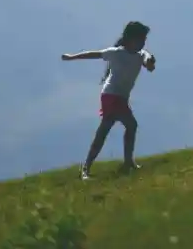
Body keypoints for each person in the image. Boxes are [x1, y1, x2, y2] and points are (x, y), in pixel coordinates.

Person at [61, 19, 155, 180]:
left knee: (105, 131)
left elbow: (147, 59)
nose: (143, 43)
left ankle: (88, 167)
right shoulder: (116, 52)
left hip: (120, 97)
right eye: (141, 39)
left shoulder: (140, 55)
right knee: (130, 125)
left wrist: (150, 62)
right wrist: (71, 57)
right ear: (130, 39)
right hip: (111, 96)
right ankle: (126, 163)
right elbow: (93, 54)